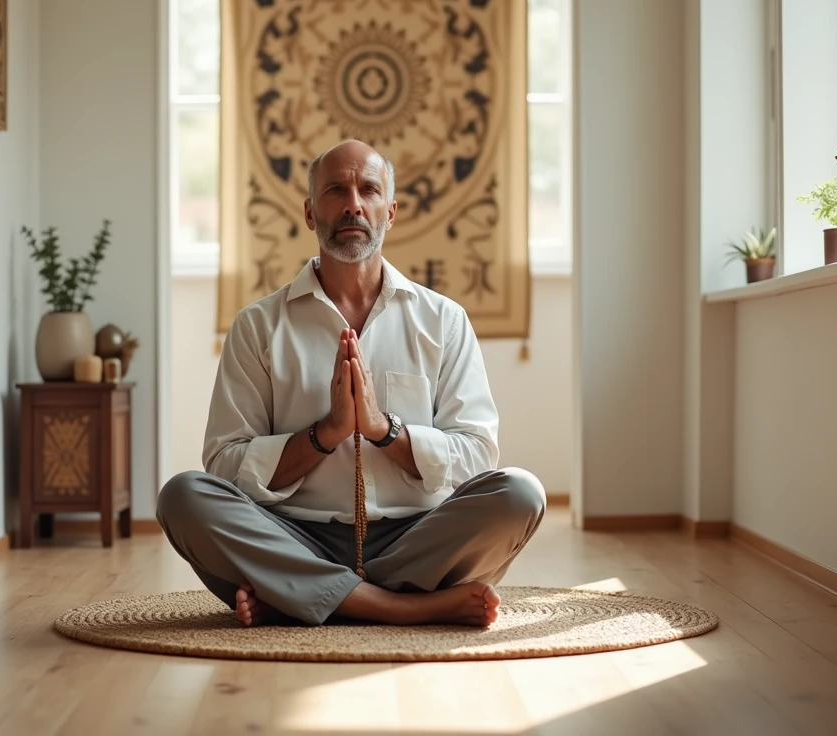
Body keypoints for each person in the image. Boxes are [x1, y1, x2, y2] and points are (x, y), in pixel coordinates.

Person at [157, 139, 546, 628]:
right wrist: (326, 435)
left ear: (391, 211)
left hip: (414, 538)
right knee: (184, 496)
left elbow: (476, 455)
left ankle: (300, 595)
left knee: (520, 494)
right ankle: (401, 606)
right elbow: (224, 462)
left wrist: (385, 429)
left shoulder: (443, 320)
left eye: (368, 189)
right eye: (336, 190)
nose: (353, 204)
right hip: (294, 535)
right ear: (310, 212)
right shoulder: (258, 326)